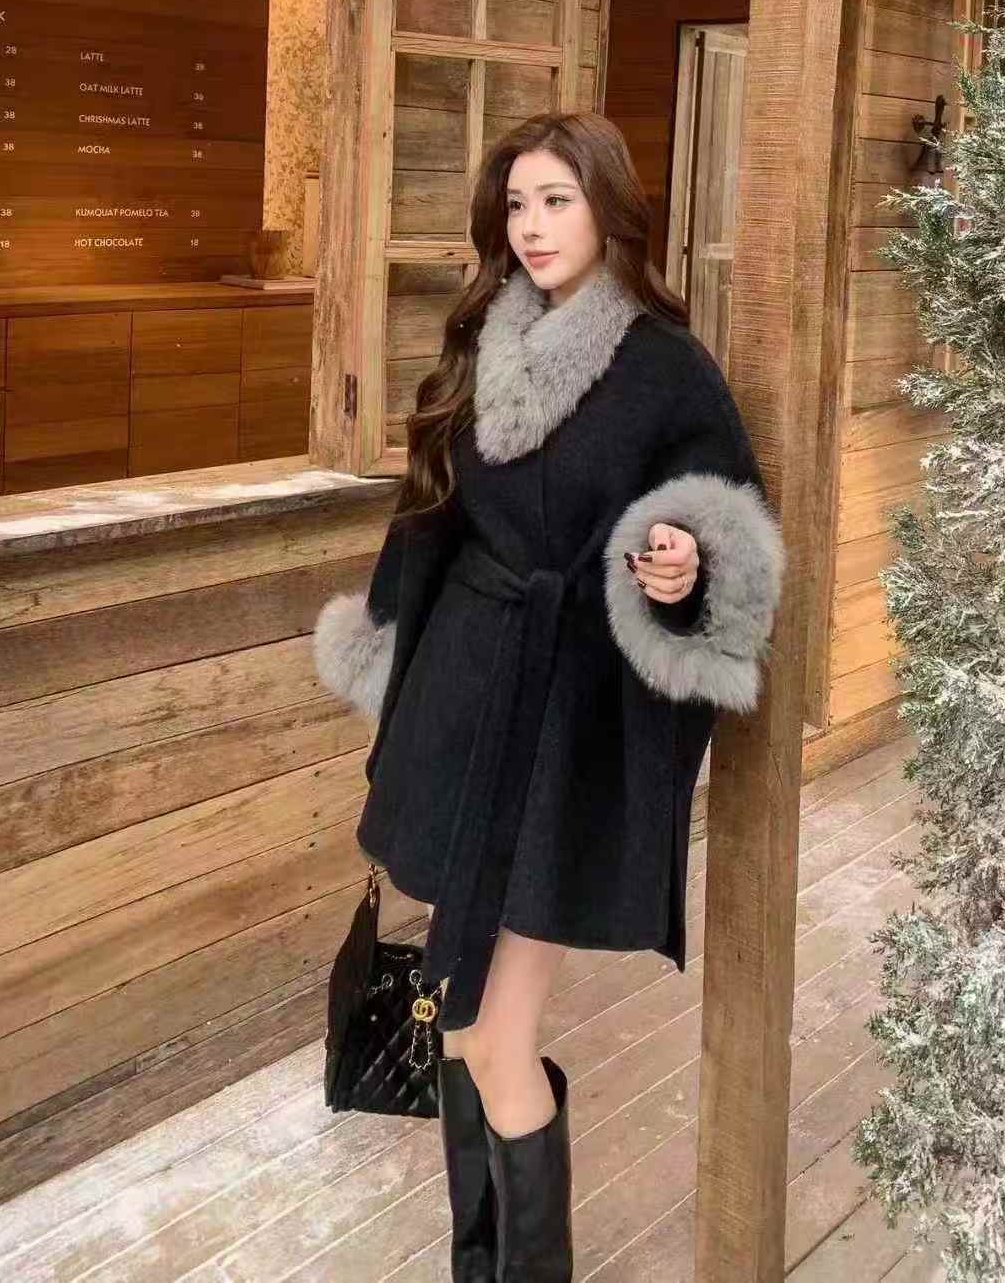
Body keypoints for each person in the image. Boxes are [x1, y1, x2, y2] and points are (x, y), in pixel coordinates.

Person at [312, 111, 785, 1282]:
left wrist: (679, 566)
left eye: (556, 201)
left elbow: (724, 530)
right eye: (517, 204)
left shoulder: (666, 366)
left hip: (567, 730)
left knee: (484, 1028)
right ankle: (482, 1262)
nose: (531, 226)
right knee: (457, 1007)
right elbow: (427, 518)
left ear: (609, 209)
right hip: (464, 701)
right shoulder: (485, 339)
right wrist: (390, 656)